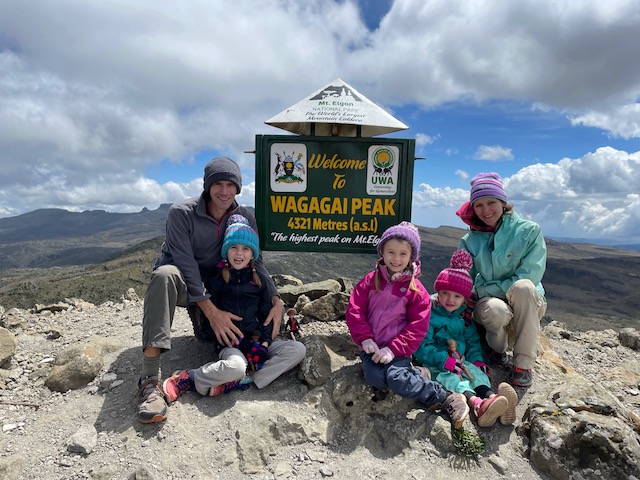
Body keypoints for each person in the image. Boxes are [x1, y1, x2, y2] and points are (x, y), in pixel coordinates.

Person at [136, 156, 290, 424]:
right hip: (184, 284)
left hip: (223, 289)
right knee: (164, 274)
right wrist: (212, 312)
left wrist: (276, 299)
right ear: (207, 186)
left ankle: (238, 371)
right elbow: (185, 264)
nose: (224, 191)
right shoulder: (181, 213)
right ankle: (150, 381)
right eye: (217, 184)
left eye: (231, 185)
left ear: (238, 189)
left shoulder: (243, 216)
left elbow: (258, 261)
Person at [162, 215, 306, 404]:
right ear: (226, 251)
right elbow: (210, 323)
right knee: (236, 366)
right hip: (230, 344)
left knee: (297, 350)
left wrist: (262, 345)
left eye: (246, 249)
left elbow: (266, 317)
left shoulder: (260, 282)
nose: (239, 254)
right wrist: (244, 345)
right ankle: (191, 377)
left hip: (257, 341)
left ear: (252, 253)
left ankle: (247, 380)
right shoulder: (215, 282)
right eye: (234, 247)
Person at [345, 221, 470, 429]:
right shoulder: (370, 281)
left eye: (403, 254)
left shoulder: (417, 291)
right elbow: (355, 309)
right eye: (391, 252)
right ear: (382, 253)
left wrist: (393, 349)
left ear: (411, 256)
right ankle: (416, 375)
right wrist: (364, 337)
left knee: (396, 379)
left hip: (399, 350)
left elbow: (417, 328)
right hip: (372, 347)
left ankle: (445, 396)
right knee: (374, 377)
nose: (396, 259)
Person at [456, 172, 547, 387]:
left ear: (503, 203)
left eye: (491, 202)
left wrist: (485, 289)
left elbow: (530, 276)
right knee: (494, 311)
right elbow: (462, 279)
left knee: (523, 287)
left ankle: (523, 365)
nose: (485, 210)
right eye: (478, 205)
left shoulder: (529, 231)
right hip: (491, 305)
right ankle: (496, 350)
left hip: (527, 302)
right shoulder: (470, 240)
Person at [413, 250, 518, 427]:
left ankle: (494, 399)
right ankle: (479, 406)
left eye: (457, 296)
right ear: (438, 292)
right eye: (445, 293)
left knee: (476, 375)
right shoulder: (429, 315)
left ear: (464, 299)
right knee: (455, 381)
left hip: (461, 361)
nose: (450, 299)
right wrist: (443, 360)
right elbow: (422, 346)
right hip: (438, 365)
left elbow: (472, 342)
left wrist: (476, 360)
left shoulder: (464, 318)